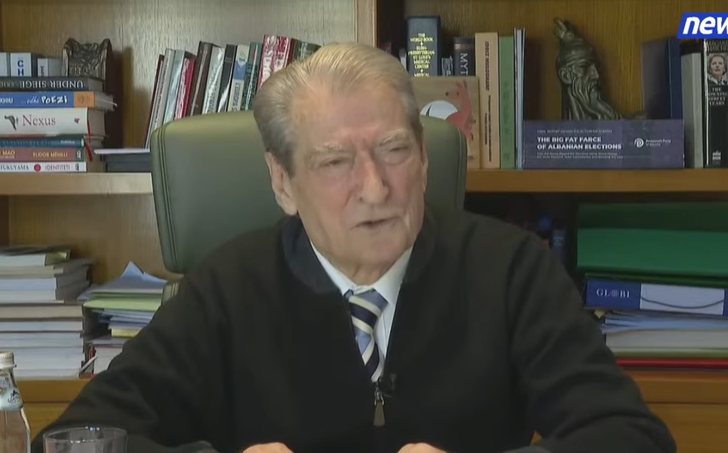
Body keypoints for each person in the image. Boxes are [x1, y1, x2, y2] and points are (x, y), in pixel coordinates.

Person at [32, 42, 675, 453]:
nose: (375, 187)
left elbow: (630, 437)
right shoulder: (227, 288)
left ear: (424, 160)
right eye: (336, 162)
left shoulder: (510, 270)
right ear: (283, 183)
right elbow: (75, 441)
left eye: (394, 150)